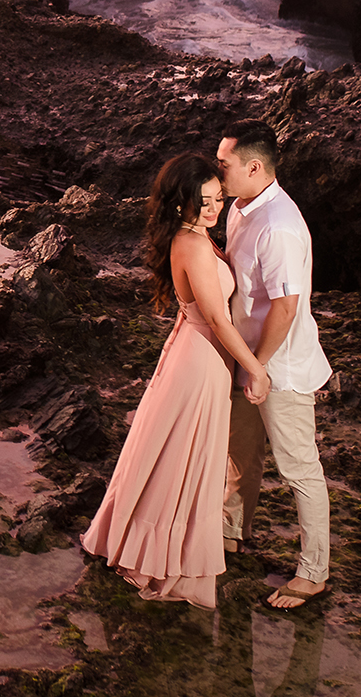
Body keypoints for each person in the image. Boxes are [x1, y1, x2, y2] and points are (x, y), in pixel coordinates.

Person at [82, 154, 271, 609]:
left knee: (179, 454)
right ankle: (156, 556)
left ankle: (151, 544)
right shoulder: (191, 245)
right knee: (183, 457)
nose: (213, 209)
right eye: (202, 201)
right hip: (201, 359)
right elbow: (219, 321)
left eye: (218, 199)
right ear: (179, 204)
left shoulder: (197, 238)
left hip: (199, 354)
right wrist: (257, 367)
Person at [216, 120, 332, 610]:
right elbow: (243, 279)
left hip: (278, 365)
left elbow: (286, 306)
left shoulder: (280, 226)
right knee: (239, 452)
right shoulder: (240, 207)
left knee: (299, 468)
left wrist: (259, 368)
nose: (216, 173)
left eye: (224, 166)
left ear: (255, 167)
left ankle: (314, 572)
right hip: (246, 355)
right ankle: (232, 534)